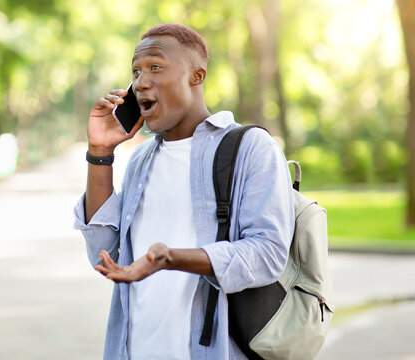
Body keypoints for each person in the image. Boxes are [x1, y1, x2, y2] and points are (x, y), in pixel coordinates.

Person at [73, 23, 295, 360]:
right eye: (135, 71)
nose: (141, 81)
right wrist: (100, 153)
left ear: (197, 76)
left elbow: (267, 254)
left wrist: (170, 258)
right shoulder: (142, 160)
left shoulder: (250, 147)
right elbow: (105, 254)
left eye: (156, 67)